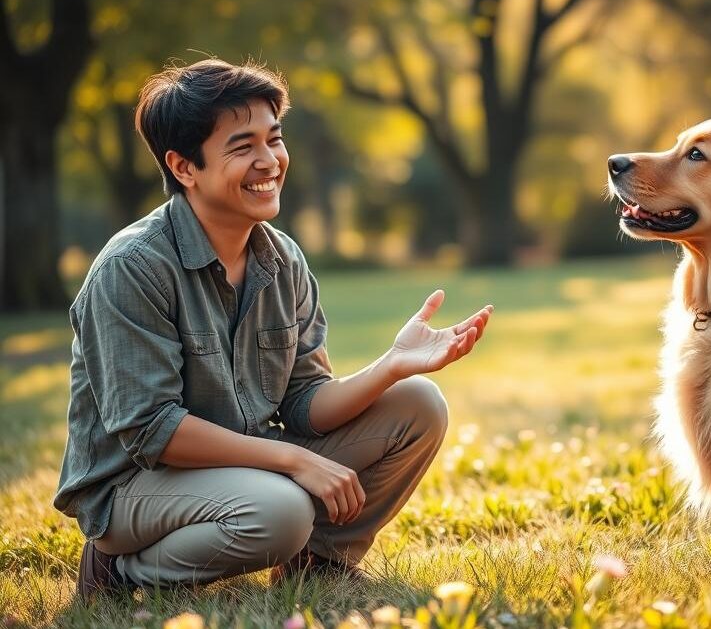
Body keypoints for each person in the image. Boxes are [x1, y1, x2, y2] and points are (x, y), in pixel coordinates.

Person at [53, 58, 493, 602]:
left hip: (244, 463)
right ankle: (118, 573)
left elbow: (305, 403)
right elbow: (151, 431)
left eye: (274, 139)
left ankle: (320, 564)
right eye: (243, 147)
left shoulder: (281, 259)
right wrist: (295, 459)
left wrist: (392, 365)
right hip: (132, 487)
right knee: (282, 511)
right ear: (184, 167)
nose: (270, 161)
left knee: (419, 402)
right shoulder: (132, 267)